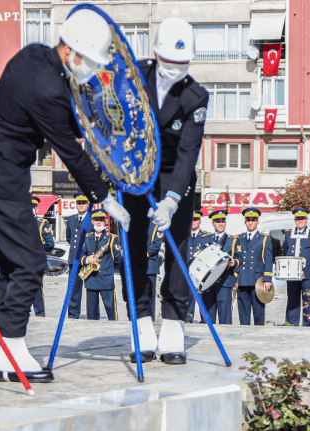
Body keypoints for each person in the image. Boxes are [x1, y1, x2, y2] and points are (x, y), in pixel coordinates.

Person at [0, 9, 130, 383]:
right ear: (73, 52)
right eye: (90, 61)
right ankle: (15, 349)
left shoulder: (33, 55)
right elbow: (69, 150)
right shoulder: (47, 88)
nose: (91, 70)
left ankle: (0, 354)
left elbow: (60, 117)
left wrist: (98, 119)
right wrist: (103, 198)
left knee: (10, 263)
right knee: (31, 262)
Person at [119, 17, 208, 365]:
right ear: (156, 55)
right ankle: (141, 323)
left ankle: (173, 326)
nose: (176, 69)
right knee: (136, 247)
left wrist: (171, 201)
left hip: (174, 176)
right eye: (170, 63)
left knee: (177, 250)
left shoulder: (195, 96)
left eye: (183, 65)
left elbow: (188, 154)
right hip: (135, 173)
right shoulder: (132, 78)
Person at [282, 208, 310, 326]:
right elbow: (286, 250)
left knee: (308, 299)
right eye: (298, 219)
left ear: (307, 220)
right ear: (295, 220)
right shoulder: (288, 233)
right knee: (292, 299)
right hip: (292, 272)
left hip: (308, 271)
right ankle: (292, 322)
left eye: (302, 219)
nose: (300, 221)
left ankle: (308, 324)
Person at [80, 209, 122, 321]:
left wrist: (108, 267)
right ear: (92, 221)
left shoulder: (112, 238)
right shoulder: (87, 237)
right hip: (91, 278)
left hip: (106, 278)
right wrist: (87, 260)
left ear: (105, 222)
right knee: (91, 314)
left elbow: (118, 259)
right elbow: (80, 256)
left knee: (111, 312)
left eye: (101, 220)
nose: (99, 222)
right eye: (96, 220)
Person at [235, 207, 273, 326]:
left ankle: (259, 333)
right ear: (245, 221)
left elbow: (268, 260)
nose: (250, 222)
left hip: (257, 280)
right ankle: (244, 333)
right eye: (248, 220)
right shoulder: (238, 238)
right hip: (243, 279)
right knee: (243, 312)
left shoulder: (264, 238)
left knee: (258, 312)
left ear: (257, 222)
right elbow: (237, 257)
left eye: (253, 220)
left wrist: (267, 279)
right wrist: (235, 278)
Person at [202, 209, 239, 325]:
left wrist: (234, 262)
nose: (221, 224)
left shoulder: (233, 240)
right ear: (212, 223)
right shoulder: (205, 238)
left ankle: (225, 339)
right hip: (208, 283)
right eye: (217, 221)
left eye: (223, 221)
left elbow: (240, 257)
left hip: (225, 282)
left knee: (225, 316)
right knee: (207, 317)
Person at [66, 192, 91, 319]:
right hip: (74, 260)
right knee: (73, 289)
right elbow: (69, 238)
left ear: (88, 204)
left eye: (83, 203)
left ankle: (93, 314)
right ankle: (73, 313)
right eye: (78, 203)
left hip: (88, 260)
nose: (80, 205)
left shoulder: (93, 219)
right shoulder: (70, 220)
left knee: (92, 288)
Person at [186, 210, 212, 323]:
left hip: (202, 273)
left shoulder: (207, 236)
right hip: (187, 272)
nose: (193, 222)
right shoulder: (184, 236)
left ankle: (204, 318)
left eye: (196, 219)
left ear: (200, 221)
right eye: (191, 220)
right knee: (187, 297)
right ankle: (188, 316)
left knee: (202, 298)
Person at [32, 196, 55, 317]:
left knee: (36, 290)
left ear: (36, 208)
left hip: (36, 262)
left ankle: (40, 314)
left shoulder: (42, 223)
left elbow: (50, 244)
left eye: (32, 206)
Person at [146, 221, 165, 319]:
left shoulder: (157, 225)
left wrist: (140, 255)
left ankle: (151, 319)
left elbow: (156, 245)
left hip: (150, 266)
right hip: (136, 265)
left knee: (150, 296)